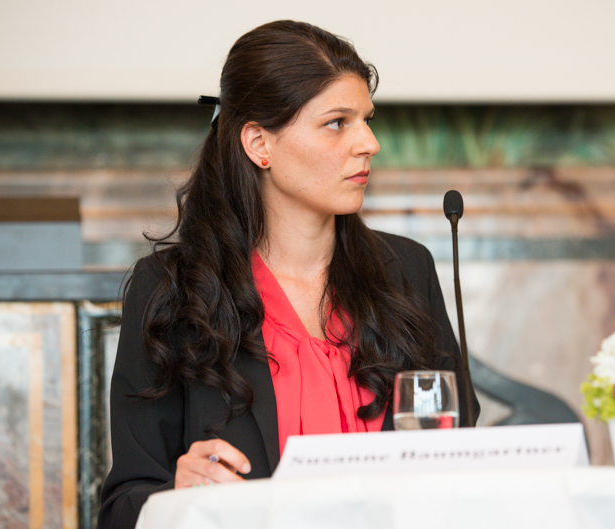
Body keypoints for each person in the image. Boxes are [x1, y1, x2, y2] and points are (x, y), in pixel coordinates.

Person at [98, 20, 478, 529]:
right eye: (337, 123)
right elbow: (123, 506)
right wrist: (176, 493)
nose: (369, 143)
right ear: (259, 143)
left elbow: (461, 452)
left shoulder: (407, 270)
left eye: (367, 119)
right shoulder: (173, 290)